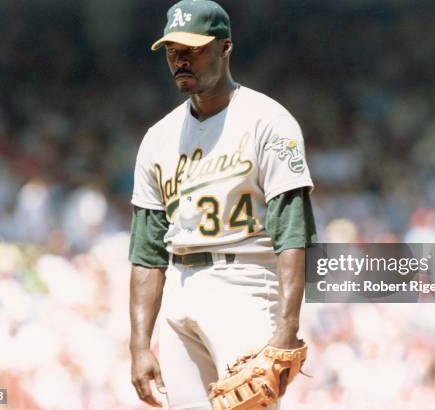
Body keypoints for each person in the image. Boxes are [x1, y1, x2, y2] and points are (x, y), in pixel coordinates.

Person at [128, 1, 316, 408]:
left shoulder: (268, 121)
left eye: (194, 49)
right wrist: (140, 344)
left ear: (225, 47)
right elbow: (146, 251)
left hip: (244, 284)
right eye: (173, 50)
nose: (181, 59)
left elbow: (293, 231)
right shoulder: (157, 138)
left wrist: (287, 326)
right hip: (179, 289)